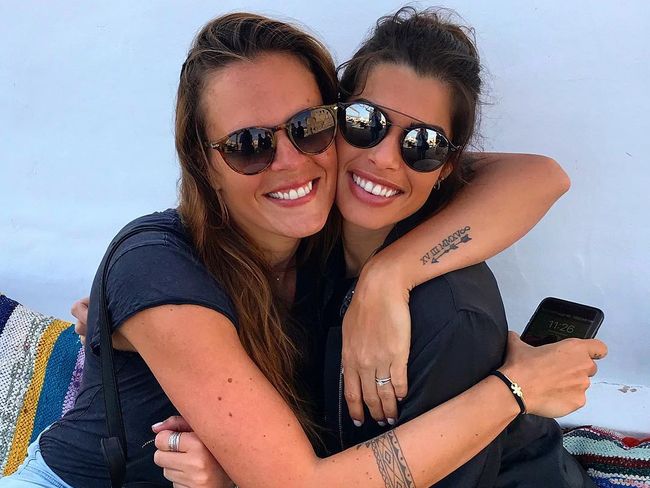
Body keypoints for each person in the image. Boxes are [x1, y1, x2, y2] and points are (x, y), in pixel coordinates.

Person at [0, 11, 605, 488]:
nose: (291, 161)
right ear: (203, 163)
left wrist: (388, 277)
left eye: (307, 127)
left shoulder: (323, 242)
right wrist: (513, 391)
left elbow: (538, 176)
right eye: (249, 144)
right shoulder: (159, 266)